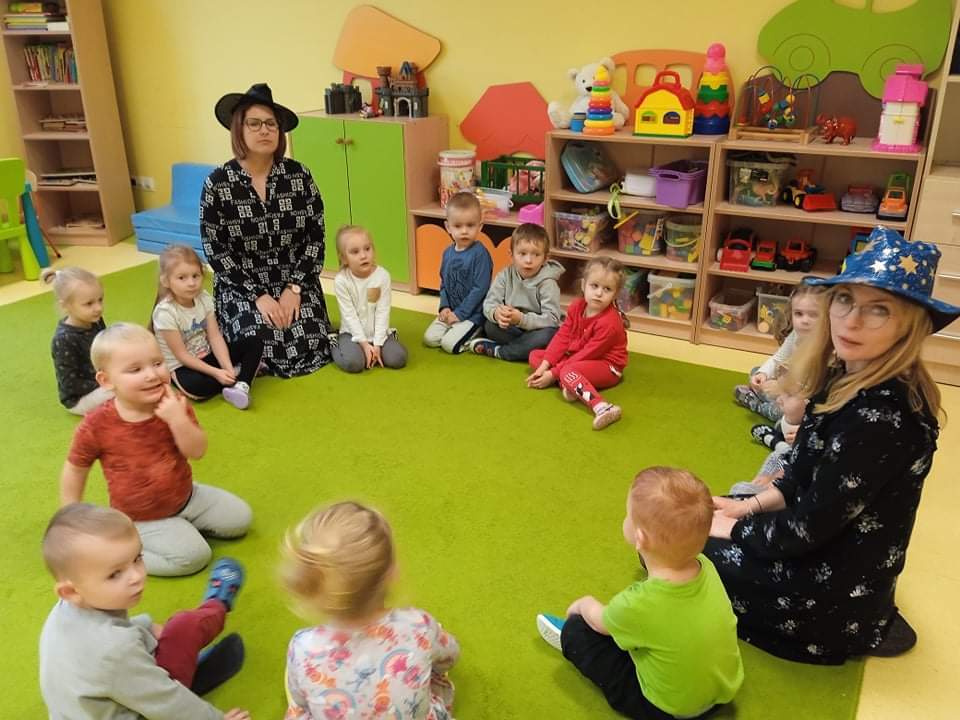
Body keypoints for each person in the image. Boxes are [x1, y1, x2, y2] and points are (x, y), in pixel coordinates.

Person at [708, 227, 960, 664]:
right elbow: (799, 475)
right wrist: (742, 508)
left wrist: (734, 529)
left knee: (668, 544)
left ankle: (858, 628)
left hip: (830, 589)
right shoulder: (844, 377)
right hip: (822, 545)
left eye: (878, 310)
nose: (851, 320)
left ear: (910, 325)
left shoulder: (883, 418)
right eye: (845, 300)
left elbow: (809, 527)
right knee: (682, 521)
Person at [537, 467, 743, 720]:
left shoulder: (637, 603)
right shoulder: (707, 566)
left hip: (668, 710)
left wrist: (582, 605)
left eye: (628, 515)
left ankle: (569, 637)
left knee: (577, 631)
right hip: (722, 690)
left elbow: (601, 622)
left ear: (640, 537)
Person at [59, 323, 252, 577]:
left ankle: (180, 526)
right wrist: (71, 516)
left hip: (187, 496)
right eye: (135, 369)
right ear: (106, 381)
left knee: (241, 519)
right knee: (195, 556)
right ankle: (122, 553)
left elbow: (197, 451)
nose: (152, 374)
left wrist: (177, 420)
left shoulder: (174, 403)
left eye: (157, 363)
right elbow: (75, 468)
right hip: (142, 517)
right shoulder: (97, 424)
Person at [39, 503, 250, 720]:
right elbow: (167, 701)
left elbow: (103, 638)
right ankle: (218, 602)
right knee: (185, 627)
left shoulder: (66, 610)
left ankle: (175, 668)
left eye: (137, 558)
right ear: (70, 591)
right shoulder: (114, 650)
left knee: (158, 638)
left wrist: (145, 626)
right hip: (140, 703)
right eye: (114, 574)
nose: (137, 576)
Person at [282, 501, 460, 719]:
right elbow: (449, 656)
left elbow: (300, 700)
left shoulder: (302, 647)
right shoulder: (418, 625)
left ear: (314, 586)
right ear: (392, 573)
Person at [202, 83, 332, 378]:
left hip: (293, 278)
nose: (265, 130)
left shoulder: (299, 175)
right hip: (242, 283)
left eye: (271, 124)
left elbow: (315, 238)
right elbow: (215, 250)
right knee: (257, 338)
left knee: (308, 339)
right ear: (239, 129)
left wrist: (295, 288)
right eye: (255, 123)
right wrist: (258, 296)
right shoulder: (218, 183)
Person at [150, 245, 264, 410]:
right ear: (166, 281)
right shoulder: (165, 312)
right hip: (183, 367)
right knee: (197, 388)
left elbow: (215, 337)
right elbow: (182, 356)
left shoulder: (203, 298)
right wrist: (216, 373)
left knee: (254, 343)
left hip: (207, 355)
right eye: (182, 278)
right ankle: (243, 372)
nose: (191, 283)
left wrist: (226, 367)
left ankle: (241, 385)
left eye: (195, 276)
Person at [527, 257, 628, 430]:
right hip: (578, 357)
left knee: (567, 370)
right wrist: (545, 366)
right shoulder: (576, 307)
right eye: (594, 286)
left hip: (607, 366)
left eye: (607, 289)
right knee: (535, 356)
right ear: (583, 285)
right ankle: (571, 383)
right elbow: (562, 337)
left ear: (616, 294)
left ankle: (602, 407)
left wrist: (553, 374)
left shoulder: (609, 323)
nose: (599, 293)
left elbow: (588, 353)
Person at [468, 222, 564, 361]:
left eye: (536, 255)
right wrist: (497, 314)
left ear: (545, 258)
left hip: (537, 329)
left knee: (549, 336)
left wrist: (521, 319)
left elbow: (552, 319)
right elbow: (489, 303)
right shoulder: (504, 276)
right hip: (513, 329)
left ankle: (501, 351)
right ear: (511, 255)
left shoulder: (548, 283)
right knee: (490, 325)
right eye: (522, 254)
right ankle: (522, 349)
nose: (528, 260)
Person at [733, 284, 825, 422]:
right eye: (798, 314)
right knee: (755, 371)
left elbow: (813, 388)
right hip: (788, 387)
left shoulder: (825, 346)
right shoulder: (796, 334)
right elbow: (778, 358)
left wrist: (782, 388)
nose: (805, 321)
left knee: (786, 411)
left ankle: (756, 405)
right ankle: (765, 396)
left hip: (806, 399)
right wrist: (763, 374)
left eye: (813, 315)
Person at [423, 192, 493, 354]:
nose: (464, 231)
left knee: (449, 345)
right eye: (458, 226)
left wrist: (460, 314)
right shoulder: (447, 253)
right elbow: (444, 284)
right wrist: (444, 307)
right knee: (430, 339)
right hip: (451, 312)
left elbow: (480, 289)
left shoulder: (480, 254)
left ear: (480, 226)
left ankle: (478, 333)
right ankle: (455, 329)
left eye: (470, 225)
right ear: (448, 227)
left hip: (472, 316)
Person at [331, 225, 407, 372]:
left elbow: (382, 312)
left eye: (367, 249)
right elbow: (349, 316)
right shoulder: (341, 280)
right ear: (344, 258)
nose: (363, 256)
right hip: (351, 334)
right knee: (354, 364)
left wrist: (377, 345)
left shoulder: (382, 276)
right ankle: (335, 342)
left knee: (398, 358)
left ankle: (378, 346)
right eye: (355, 252)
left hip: (378, 334)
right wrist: (365, 345)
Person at [42, 266, 113, 414]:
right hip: (80, 398)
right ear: (66, 306)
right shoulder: (64, 339)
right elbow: (70, 384)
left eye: (100, 300)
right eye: (89, 303)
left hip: (104, 380)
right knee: (123, 389)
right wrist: (108, 381)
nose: (98, 308)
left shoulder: (95, 320)